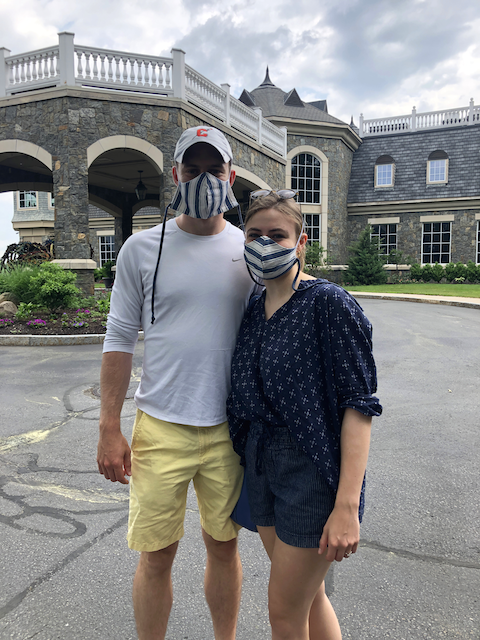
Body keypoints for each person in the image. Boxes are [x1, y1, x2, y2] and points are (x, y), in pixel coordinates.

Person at [97, 126, 257, 640]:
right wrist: (108, 428)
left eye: (215, 170)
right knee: (157, 554)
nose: (205, 179)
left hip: (229, 429)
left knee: (223, 546)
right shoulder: (142, 249)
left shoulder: (250, 250)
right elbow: (119, 337)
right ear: (175, 174)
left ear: (231, 175)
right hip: (161, 424)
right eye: (194, 169)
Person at [227, 191, 382, 640]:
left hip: (310, 470)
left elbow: (360, 405)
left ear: (301, 242)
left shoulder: (329, 304)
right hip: (261, 465)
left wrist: (347, 507)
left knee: (283, 613)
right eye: (254, 235)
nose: (264, 244)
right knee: (309, 598)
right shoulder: (254, 308)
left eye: (278, 235)